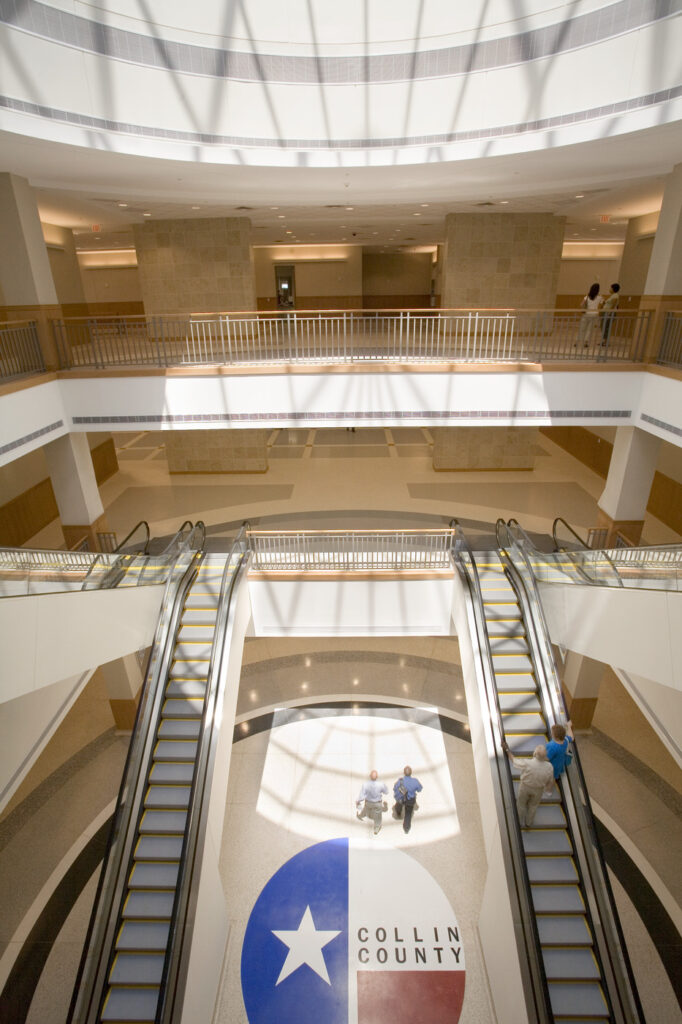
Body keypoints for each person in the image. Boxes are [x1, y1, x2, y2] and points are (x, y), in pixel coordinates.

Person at [502, 741, 554, 827]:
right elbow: (550, 780)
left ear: (535, 753)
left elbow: (514, 761)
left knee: (521, 804)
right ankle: (528, 823)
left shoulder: (528, 763)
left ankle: (519, 821)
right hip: (538, 789)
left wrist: (507, 750)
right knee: (533, 806)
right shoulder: (549, 767)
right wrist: (547, 789)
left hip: (525, 787)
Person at [392, 765, 423, 834]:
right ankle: (406, 828)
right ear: (411, 773)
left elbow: (394, 788)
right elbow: (420, 789)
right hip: (410, 801)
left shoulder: (400, 781)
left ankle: (398, 811)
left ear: (404, 773)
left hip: (401, 799)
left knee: (398, 804)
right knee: (408, 814)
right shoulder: (415, 781)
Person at [356, 769, 388, 835]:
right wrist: (385, 805)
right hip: (377, 804)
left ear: (370, 776)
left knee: (366, 808)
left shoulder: (365, 784)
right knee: (378, 817)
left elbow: (362, 795)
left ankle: (361, 815)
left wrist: (358, 801)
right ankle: (376, 828)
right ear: (377, 776)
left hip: (368, 803)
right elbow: (386, 792)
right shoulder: (381, 784)